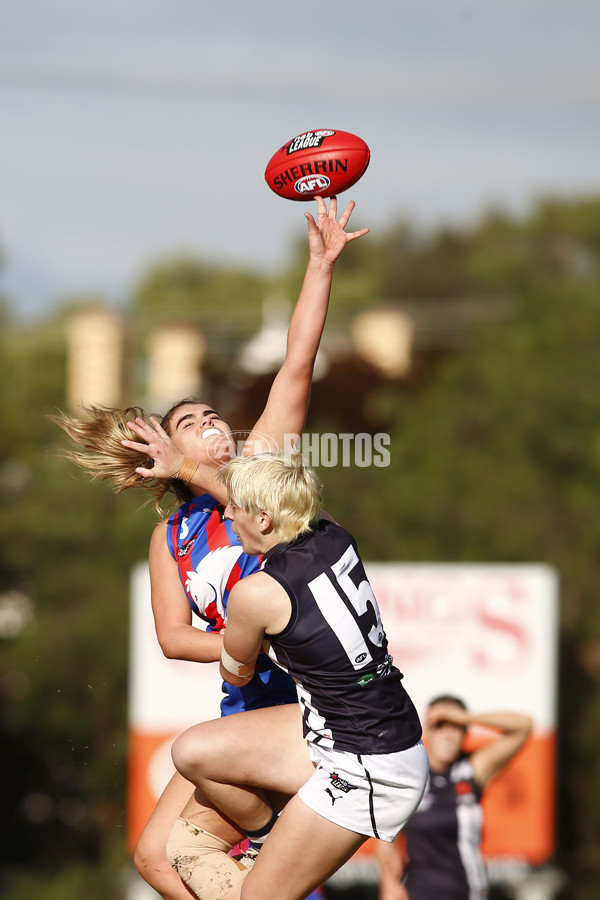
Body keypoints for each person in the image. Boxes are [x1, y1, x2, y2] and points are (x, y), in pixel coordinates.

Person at [52, 196, 369, 900]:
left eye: (212, 414)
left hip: (308, 703)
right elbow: (171, 637)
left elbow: (296, 361)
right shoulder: (172, 537)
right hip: (246, 710)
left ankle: (272, 845)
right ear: (168, 448)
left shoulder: (262, 464)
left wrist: (319, 265)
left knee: (256, 854)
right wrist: (239, 646)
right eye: (192, 421)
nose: (212, 423)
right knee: (154, 859)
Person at [169, 450, 429, 900]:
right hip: (346, 729)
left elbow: (237, 673)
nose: (226, 514)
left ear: (265, 519)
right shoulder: (332, 533)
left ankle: (268, 847)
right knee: (191, 750)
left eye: (236, 507)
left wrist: (245, 640)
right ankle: (267, 834)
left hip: (369, 765)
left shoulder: (255, 594)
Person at [375, 695, 533, 900]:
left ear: (465, 732)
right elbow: (387, 838)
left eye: (455, 726)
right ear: (427, 731)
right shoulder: (411, 776)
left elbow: (523, 726)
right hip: (417, 893)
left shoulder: (473, 769)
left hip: (467, 893)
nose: (448, 735)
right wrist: (390, 882)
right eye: (440, 725)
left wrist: (464, 717)